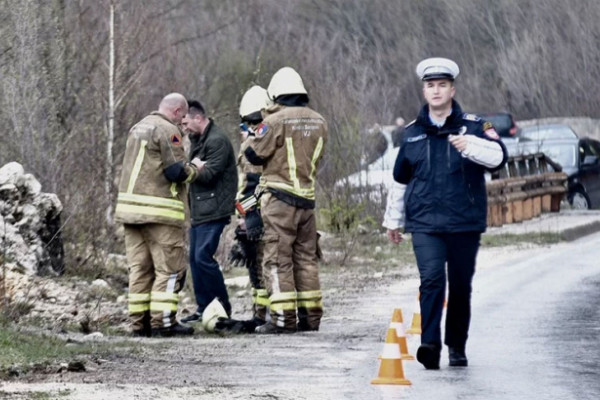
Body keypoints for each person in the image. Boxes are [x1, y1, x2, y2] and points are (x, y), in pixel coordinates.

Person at [389, 58, 508, 369]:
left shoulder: (476, 125)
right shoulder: (412, 133)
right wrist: (393, 221)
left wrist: (470, 145)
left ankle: (456, 345)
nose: (436, 91)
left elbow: (499, 157)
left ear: (452, 89)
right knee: (430, 280)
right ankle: (429, 344)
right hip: (424, 222)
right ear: (424, 91)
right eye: (431, 85)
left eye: (442, 85)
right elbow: (400, 179)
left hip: (464, 221)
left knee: (459, 284)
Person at [244, 67, 327, 334]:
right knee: (305, 259)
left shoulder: (276, 121)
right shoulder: (319, 121)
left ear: (276, 94)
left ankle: (282, 319)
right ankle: (311, 317)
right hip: (307, 201)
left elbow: (254, 156)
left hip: (279, 201)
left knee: (277, 260)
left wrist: (252, 137)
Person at [115, 92, 196, 337]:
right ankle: (164, 322)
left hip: (131, 213)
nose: (184, 122)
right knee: (169, 270)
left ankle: (139, 324)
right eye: (183, 116)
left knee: (139, 270)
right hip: (161, 212)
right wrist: (196, 171)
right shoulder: (168, 131)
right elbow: (176, 171)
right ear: (177, 111)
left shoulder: (137, 127)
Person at [180, 99, 238, 324]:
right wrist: (195, 165)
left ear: (198, 117)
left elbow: (209, 173)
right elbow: (198, 168)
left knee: (203, 257)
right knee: (195, 259)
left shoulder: (217, 140)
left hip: (214, 208)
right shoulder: (198, 139)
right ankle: (204, 307)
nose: (183, 127)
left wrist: (190, 169)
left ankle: (222, 307)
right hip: (199, 209)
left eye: (186, 122)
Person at [229, 85, 272, 326]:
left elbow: (252, 185)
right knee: (259, 266)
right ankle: (261, 312)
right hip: (263, 211)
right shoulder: (267, 141)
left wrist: (247, 217)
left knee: (260, 267)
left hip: (259, 214)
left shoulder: (254, 147)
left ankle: (262, 315)